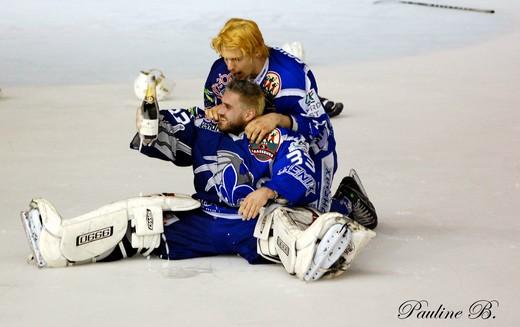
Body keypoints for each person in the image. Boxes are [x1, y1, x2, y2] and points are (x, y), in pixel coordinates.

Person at [20, 80, 375, 281]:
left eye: (227, 107)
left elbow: (301, 174)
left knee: (282, 226)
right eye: (219, 103)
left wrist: (267, 191)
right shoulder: (205, 122)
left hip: (253, 224)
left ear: (250, 114)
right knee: (144, 216)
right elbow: (166, 128)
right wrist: (151, 122)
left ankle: (318, 251)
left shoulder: (276, 136)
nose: (217, 110)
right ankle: (58, 245)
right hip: (205, 219)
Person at [204, 18, 341, 214]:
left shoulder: (293, 76)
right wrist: (214, 113)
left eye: (236, 59)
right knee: (257, 214)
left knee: (313, 218)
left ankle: (347, 202)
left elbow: (319, 129)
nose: (229, 67)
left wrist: (278, 119)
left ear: (257, 51)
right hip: (253, 148)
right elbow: (216, 117)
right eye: (226, 58)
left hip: (308, 151)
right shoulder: (220, 72)